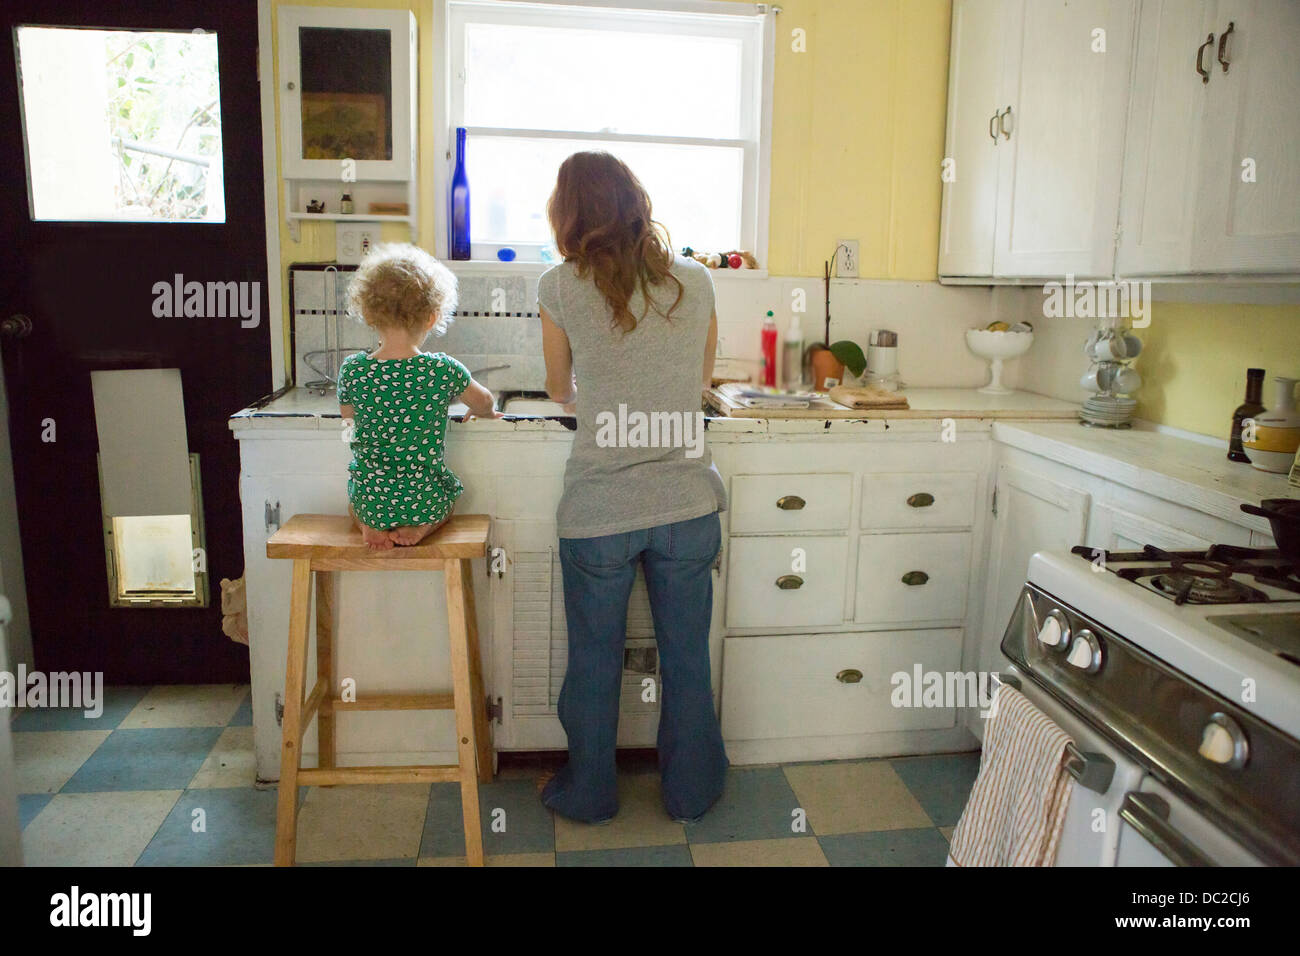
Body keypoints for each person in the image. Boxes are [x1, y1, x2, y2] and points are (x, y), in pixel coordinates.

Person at [537, 151, 729, 824]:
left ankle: (588, 792)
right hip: (686, 502)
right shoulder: (698, 281)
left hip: (599, 510)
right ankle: (692, 790)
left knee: (593, 661)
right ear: (636, 202)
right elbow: (700, 383)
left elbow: (560, 391)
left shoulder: (559, 287)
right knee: (685, 657)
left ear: (568, 214)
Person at [337, 243, 500, 551]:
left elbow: (349, 425)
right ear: (431, 317)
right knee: (449, 502)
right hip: (423, 499)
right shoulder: (441, 369)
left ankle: (368, 525)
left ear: (369, 315)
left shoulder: (353, 370)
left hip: (372, 499)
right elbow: (484, 401)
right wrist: (487, 413)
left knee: (353, 502)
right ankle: (422, 527)